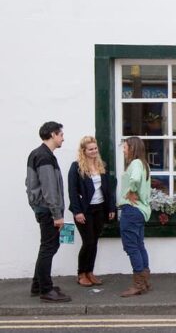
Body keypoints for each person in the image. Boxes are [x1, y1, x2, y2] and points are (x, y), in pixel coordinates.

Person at [25, 121, 71, 303]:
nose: (63, 138)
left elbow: (29, 184)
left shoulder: (37, 153)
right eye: (61, 134)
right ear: (53, 134)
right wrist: (57, 215)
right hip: (48, 210)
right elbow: (49, 188)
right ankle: (46, 289)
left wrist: (36, 206)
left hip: (43, 208)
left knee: (47, 246)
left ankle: (38, 285)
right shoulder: (44, 156)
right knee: (49, 248)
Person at [68, 136, 116, 287]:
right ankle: (81, 273)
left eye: (95, 148)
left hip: (100, 209)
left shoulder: (101, 165)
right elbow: (72, 191)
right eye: (90, 149)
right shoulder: (76, 167)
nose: (94, 151)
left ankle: (90, 272)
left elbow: (108, 189)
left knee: (94, 242)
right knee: (88, 242)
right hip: (84, 211)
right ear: (83, 151)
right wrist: (77, 212)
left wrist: (111, 207)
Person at [118, 137, 152, 297]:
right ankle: (144, 282)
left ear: (132, 148)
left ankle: (139, 285)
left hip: (131, 211)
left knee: (131, 247)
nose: (124, 151)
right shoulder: (143, 164)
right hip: (140, 211)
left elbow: (135, 179)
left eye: (125, 147)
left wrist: (131, 190)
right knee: (139, 245)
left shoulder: (136, 163)